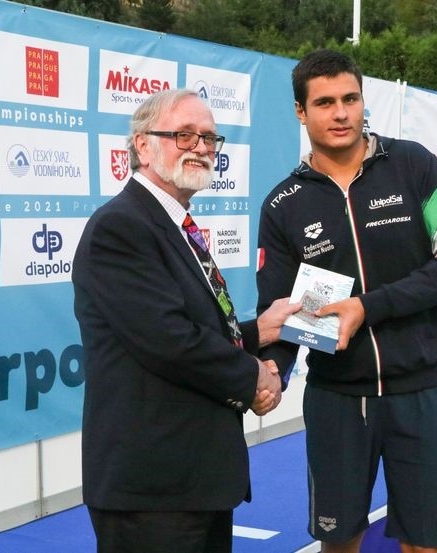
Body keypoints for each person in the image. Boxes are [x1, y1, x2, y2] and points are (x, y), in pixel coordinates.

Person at [256, 50, 437, 553]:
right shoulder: (282, 205)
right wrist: (271, 371)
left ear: (363, 101)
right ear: (300, 111)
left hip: (422, 392)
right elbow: (280, 313)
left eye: (350, 99)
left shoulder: (414, 165)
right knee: (339, 542)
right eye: (324, 103)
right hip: (336, 401)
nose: (341, 114)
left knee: (426, 544)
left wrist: (367, 307)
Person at [72, 88, 299, 553]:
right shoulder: (121, 226)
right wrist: (254, 375)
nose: (200, 147)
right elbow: (169, 341)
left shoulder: (172, 224)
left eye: (209, 137)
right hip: (153, 490)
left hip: (193, 482)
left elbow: (190, 329)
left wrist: (261, 331)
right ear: (142, 145)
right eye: (184, 135)